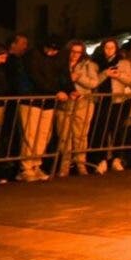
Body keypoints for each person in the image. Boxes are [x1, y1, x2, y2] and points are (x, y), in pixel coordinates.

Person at [17, 38, 63, 181]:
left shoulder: (54, 59)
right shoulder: (32, 57)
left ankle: (36, 164)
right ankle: (26, 167)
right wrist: (55, 91)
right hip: (32, 99)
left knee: (43, 135)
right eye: (50, 49)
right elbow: (36, 78)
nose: (51, 52)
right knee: (30, 134)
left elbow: (59, 76)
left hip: (48, 101)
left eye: (55, 50)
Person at [90, 38, 131, 173]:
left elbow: (130, 80)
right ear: (103, 48)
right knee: (101, 130)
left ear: (116, 48)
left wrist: (118, 75)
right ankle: (102, 159)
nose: (109, 50)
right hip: (101, 101)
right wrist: (105, 74)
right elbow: (94, 82)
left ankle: (116, 158)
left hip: (117, 100)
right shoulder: (96, 63)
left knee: (116, 130)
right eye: (107, 47)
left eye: (112, 47)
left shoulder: (124, 63)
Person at [57, 40, 100, 176]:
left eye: (78, 52)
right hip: (64, 104)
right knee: (64, 136)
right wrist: (69, 81)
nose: (75, 55)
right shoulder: (60, 64)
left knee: (80, 135)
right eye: (73, 51)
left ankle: (81, 164)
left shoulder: (88, 65)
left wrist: (78, 78)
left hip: (83, 104)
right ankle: (64, 166)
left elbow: (94, 82)